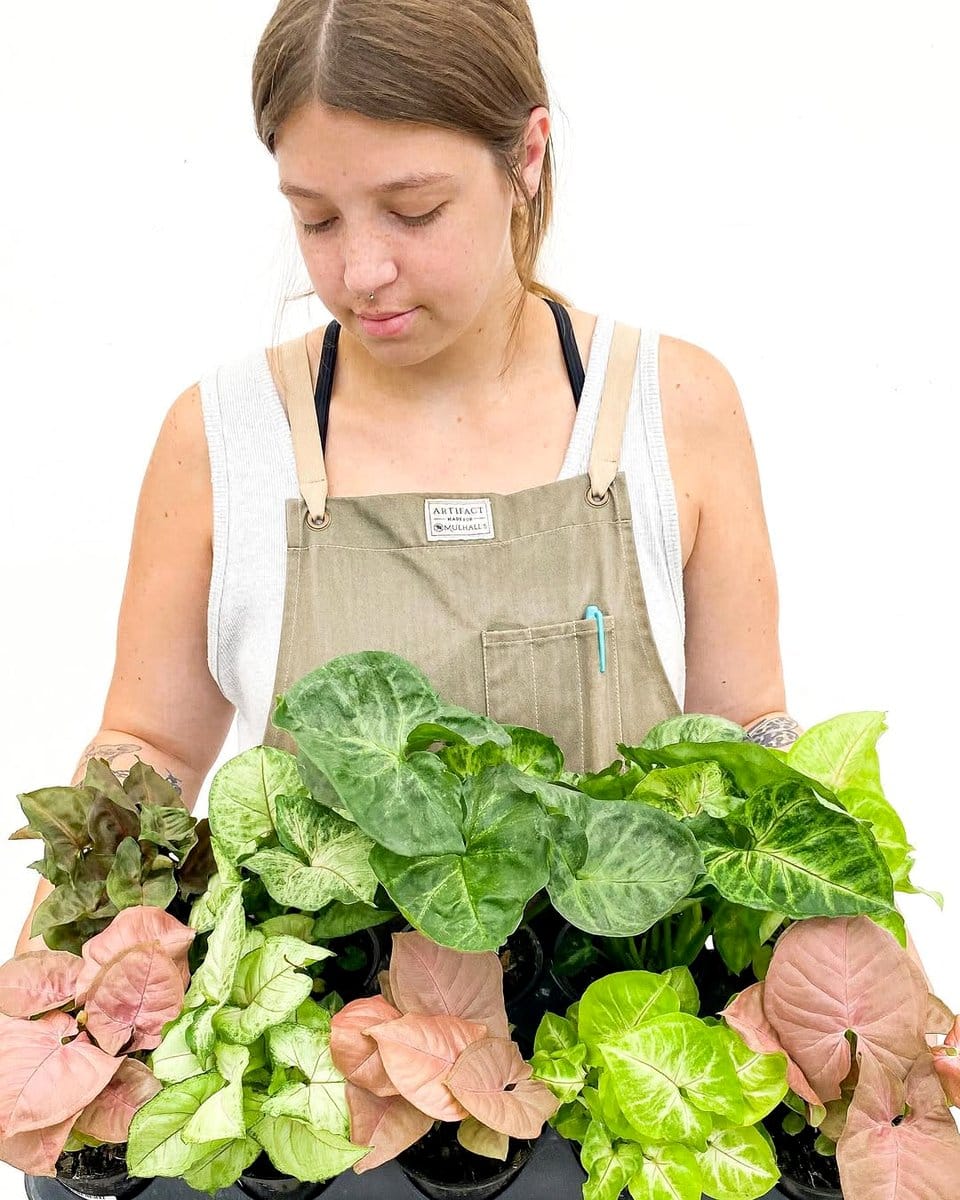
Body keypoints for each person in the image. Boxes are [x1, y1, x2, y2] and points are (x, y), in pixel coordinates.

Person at [15, 0, 801, 953]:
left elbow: (750, 746)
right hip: (313, 1082)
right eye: (315, 219)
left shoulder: (670, 408)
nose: (361, 270)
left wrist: (857, 943)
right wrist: (43, 1015)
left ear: (529, 156)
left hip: (608, 1060)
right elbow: (156, 751)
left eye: (414, 210)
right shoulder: (223, 436)